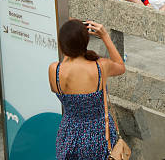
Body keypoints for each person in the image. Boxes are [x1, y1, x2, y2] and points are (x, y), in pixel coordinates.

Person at [48, 19, 125, 160]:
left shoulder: (55, 70)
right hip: (100, 135)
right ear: (86, 42)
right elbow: (120, 66)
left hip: (69, 135)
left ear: (62, 44)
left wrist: (70, 38)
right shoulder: (100, 67)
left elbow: (68, 59)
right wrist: (105, 36)